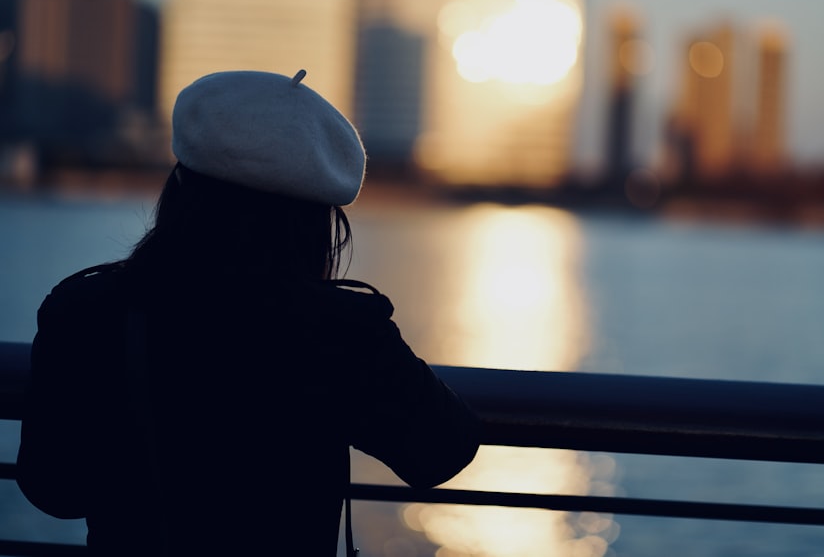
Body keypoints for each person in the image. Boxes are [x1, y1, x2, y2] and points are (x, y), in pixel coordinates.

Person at [16, 70, 481, 556]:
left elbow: (53, 491)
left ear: (177, 190)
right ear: (317, 223)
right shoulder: (342, 330)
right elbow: (443, 450)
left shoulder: (85, 309)